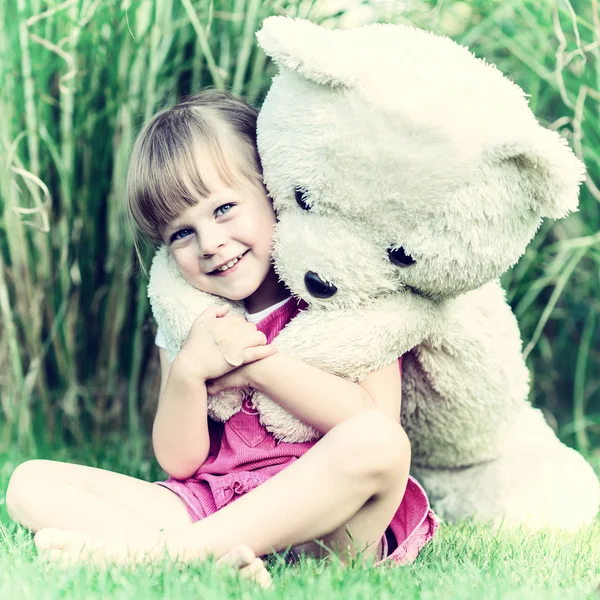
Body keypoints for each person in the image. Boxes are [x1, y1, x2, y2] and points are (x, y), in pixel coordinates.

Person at [5, 90, 436, 582]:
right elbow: (179, 461)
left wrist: (253, 363)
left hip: (328, 527)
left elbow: (372, 422)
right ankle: (215, 561)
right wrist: (189, 370)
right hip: (214, 504)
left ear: (271, 189)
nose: (209, 243)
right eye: (180, 234)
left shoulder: (340, 293)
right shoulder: (191, 318)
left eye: (224, 208)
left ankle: (163, 557)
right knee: (29, 484)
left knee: (379, 442)